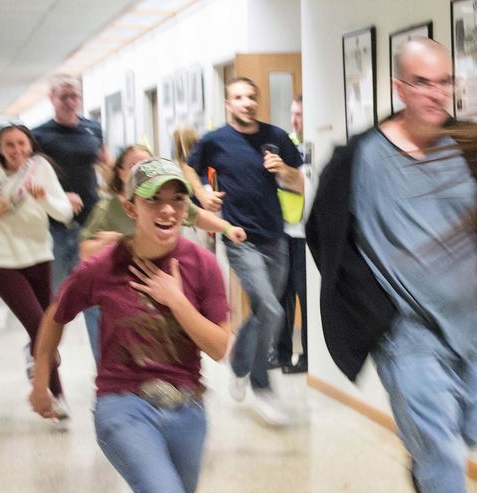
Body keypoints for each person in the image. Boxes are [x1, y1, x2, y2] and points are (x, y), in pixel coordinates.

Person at [307, 39, 477, 493]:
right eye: (423, 82)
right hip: (405, 335)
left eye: (444, 82)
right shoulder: (360, 159)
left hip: (472, 327)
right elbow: (321, 232)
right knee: (443, 456)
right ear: (399, 88)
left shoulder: (473, 146)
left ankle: (422, 457)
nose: (437, 93)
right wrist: (366, 298)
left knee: (475, 432)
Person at [29, 157, 231, 493]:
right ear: (130, 208)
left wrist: (175, 300)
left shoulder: (202, 265)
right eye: (154, 200)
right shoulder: (101, 268)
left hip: (188, 407)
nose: (168, 210)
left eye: (177, 199)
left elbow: (219, 347)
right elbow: (55, 316)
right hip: (123, 403)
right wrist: (41, 381)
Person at [186, 77, 304, 426]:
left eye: (251, 96)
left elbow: (298, 183)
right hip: (239, 238)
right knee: (271, 308)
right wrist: (202, 194)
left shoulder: (277, 138)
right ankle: (261, 384)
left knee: (265, 311)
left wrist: (282, 169)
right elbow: (190, 169)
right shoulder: (215, 140)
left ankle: (238, 360)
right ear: (228, 104)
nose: (247, 102)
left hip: (276, 237)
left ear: (258, 100)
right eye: (238, 97)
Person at [79, 144, 245, 362]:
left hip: (156, 291)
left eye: (147, 164)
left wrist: (227, 228)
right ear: (120, 172)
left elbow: (197, 216)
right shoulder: (107, 209)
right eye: (133, 165)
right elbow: (85, 252)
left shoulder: (169, 204)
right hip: (114, 291)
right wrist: (116, 244)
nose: (142, 169)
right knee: (112, 355)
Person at [0, 124, 72, 416]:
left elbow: (64, 212)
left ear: (30, 145)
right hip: (3, 263)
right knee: (40, 327)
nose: (16, 150)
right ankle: (55, 394)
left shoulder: (40, 169)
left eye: (21, 143)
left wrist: (44, 200)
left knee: (48, 329)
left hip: (40, 258)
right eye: (9, 145)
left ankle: (42, 373)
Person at [33, 74, 109, 292]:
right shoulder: (38, 134)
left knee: (94, 289)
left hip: (91, 218)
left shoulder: (93, 129)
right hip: (55, 222)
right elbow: (32, 177)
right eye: (64, 97)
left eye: (74, 96)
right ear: (52, 98)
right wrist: (59, 196)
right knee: (56, 293)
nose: (70, 102)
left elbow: (106, 162)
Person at [277, 95, 308, 373]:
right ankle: (282, 353)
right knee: (280, 294)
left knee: (304, 294)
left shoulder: (313, 146)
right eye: (293, 113)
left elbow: (303, 185)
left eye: (300, 114)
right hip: (283, 230)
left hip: (306, 233)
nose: (295, 120)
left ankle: (309, 357)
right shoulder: (285, 144)